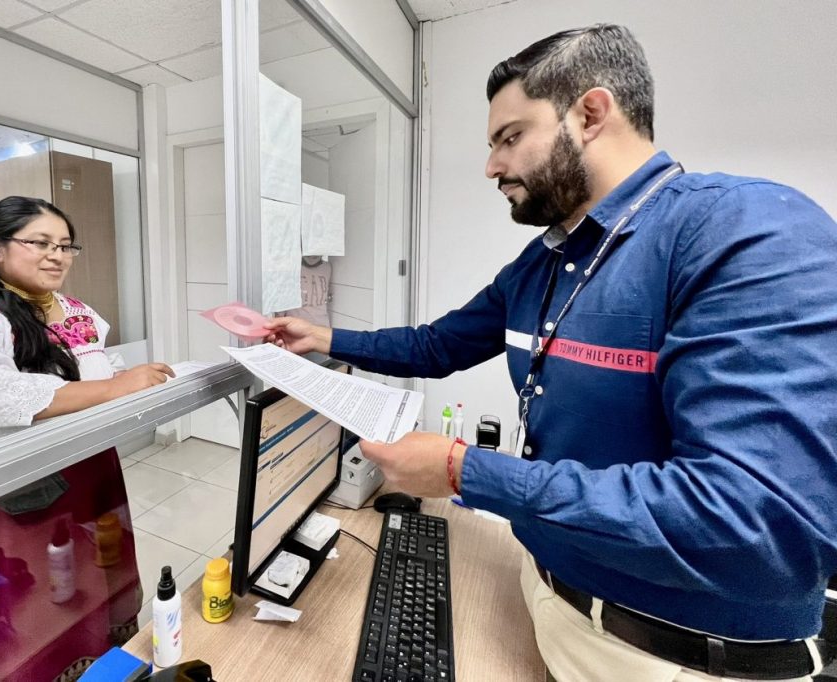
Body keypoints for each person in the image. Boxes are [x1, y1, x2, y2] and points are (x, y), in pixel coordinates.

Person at [265, 24, 837, 682]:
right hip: (544, 595)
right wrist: (323, 338)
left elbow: (760, 528)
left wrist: (464, 473)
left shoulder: (745, 232)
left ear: (591, 113)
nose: (491, 167)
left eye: (510, 138)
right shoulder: (542, 266)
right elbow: (437, 344)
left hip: (671, 657)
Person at [0, 196, 174, 681]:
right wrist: (111, 387)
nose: (56, 255)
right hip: (16, 486)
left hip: (91, 474)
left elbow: (97, 373)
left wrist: (136, 383)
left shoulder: (76, 309)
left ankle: (96, 668)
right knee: (24, 602)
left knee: (92, 583)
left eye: (65, 245)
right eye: (39, 243)